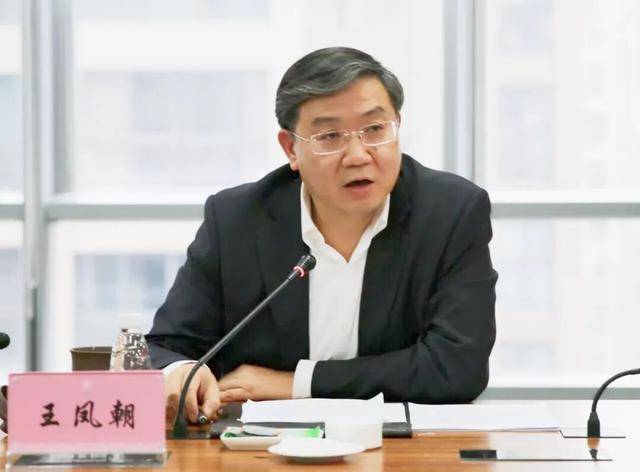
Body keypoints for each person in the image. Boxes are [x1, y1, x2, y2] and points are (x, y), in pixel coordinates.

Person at [147, 47, 497, 424]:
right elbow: (165, 347)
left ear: (396, 126)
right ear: (291, 149)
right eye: (330, 136)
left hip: (404, 447)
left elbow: (456, 367)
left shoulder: (451, 214)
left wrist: (296, 384)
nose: (358, 155)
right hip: (262, 448)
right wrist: (183, 371)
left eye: (375, 129)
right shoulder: (237, 220)